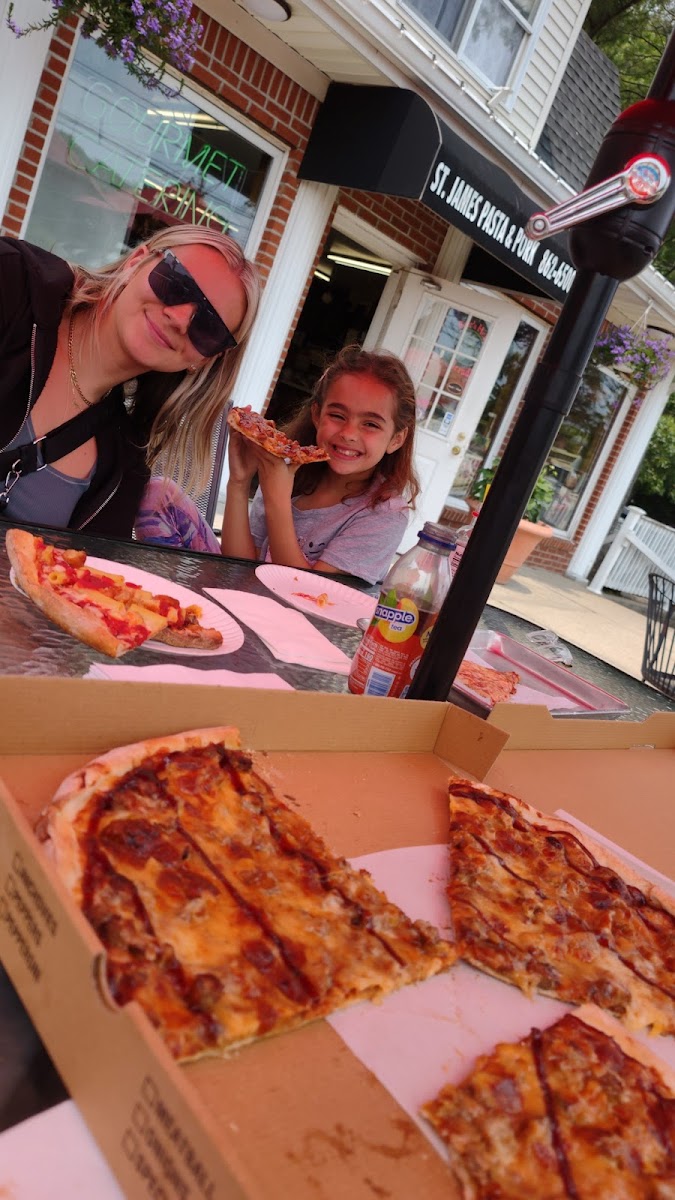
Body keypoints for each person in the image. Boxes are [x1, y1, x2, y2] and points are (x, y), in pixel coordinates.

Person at [0, 227, 260, 537]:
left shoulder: (124, 466)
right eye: (176, 283)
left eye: (208, 326)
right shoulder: (12, 282)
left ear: (204, 359)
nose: (179, 319)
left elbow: (85, 564)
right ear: (135, 263)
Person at [138, 345, 419, 585]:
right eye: (337, 415)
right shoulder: (290, 473)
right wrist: (239, 482)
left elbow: (306, 597)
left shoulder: (385, 514)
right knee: (159, 493)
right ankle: (166, 597)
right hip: (244, 593)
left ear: (396, 438)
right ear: (317, 415)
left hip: (297, 623)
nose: (349, 433)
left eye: (370, 424)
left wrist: (277, 499)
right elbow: (238, 565)